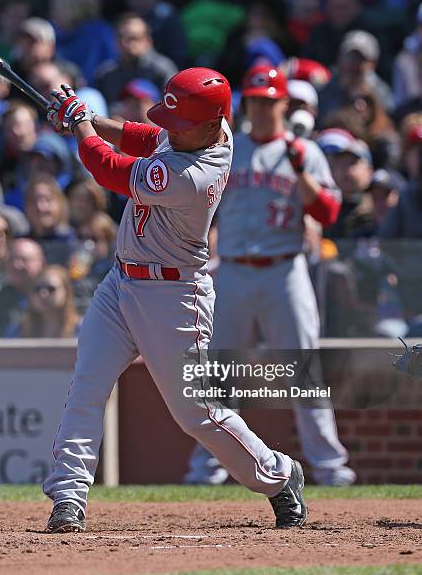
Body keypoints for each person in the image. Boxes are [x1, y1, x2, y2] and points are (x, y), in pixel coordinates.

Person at [42, 68, 307, 533]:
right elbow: (145, 137)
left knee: (198, 415)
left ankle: (279, 475)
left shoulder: (197, 173)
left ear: (210, 126)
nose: (171, 127)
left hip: (174, 296)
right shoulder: (194, 131)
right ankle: (69, 494)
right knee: (87, 387)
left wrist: (80, 126)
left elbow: (111, 169)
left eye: (180, 122)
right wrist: (85, 118)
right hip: (121, 282)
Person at [185, 66, 355, 488]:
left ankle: (331, 468)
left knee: (304, 373)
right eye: (255, 100)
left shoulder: (304, 151)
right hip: (235, 270)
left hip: (285, 269)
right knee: (220, 373)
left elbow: (329, 214)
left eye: (269, 100)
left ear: (283, 103)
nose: (261, 108)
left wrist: (300, 171)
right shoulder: (228, 147)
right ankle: (207, 471)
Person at [95, 13, 177, 104]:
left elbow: (173, 106)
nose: (125, 43)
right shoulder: (106, 73)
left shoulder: (162, 69)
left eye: (133, 38)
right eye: (121, 37)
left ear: (148, 41)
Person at [0, 238, 46, 337]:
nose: (16, 265)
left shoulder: (52, 295)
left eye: (24, 260)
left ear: (41, 263)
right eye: (12, 259)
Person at [24, 174, 77, 266]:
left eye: (48, 200)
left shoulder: (75, 241)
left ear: (60, 204)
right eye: (33, 200)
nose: (41, 207)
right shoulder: (20, 245)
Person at [18, 265, 79, 338]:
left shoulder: (82, 329)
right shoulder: (19, 330)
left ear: (66, 292)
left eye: (51, 289)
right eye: (37, 289)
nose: (43, 294)